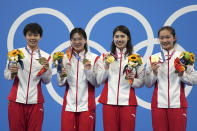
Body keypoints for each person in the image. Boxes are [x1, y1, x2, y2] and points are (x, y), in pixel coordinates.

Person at [145, 26, 197, 131]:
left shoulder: (183, 57)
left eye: (167, 37)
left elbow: (194, 80)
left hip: (178, 105)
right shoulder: (153, 58)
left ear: (174, 38)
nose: (164, 40)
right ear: (158, 39)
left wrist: (182, 74)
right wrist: (154, 73)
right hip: (158, 106)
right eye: (161, 38)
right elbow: (148, 83)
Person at [4, 23, 52, 131]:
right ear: (25, 36)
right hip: (16, 101)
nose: (32, 38)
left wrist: (47, 69)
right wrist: (12, 72)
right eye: (30, 35)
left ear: (40, 37)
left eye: (36, 35)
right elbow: (7, 76)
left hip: (36, 102)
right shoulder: (15, 53)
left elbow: (47, 81)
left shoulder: (46, 57)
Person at [96, 25, 144, 131]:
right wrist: (106, 67)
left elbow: (141, 82)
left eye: (122, 36)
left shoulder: (137, 58)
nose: (119, 39)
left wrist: (132, 80)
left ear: (128, 38)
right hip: (109, 103)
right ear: (113, 39)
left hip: (128, 103)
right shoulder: (105, 56)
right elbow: (99, 80)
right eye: (116, 36)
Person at [57, 28, 99, 131]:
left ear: (85, 40)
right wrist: (62, 75)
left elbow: (96, 83)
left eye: (80, 39)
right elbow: (59, 83)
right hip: (69, 106)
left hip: (87, 106)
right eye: (74, 39)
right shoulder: (63, 58)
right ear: (71, 41)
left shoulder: (94, 58)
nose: (77, 42)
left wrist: (88, 71)